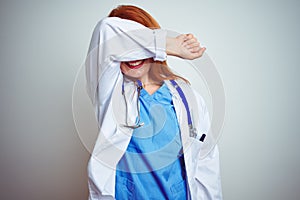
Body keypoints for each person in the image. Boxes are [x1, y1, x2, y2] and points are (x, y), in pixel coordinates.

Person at [85, 5, 222, 200]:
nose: (131, 56)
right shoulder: (109, 91)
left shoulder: (187, 97)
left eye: (139, 43)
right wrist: (170, 45)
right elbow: (105, 30)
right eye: (128, 45)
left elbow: (206, 164)